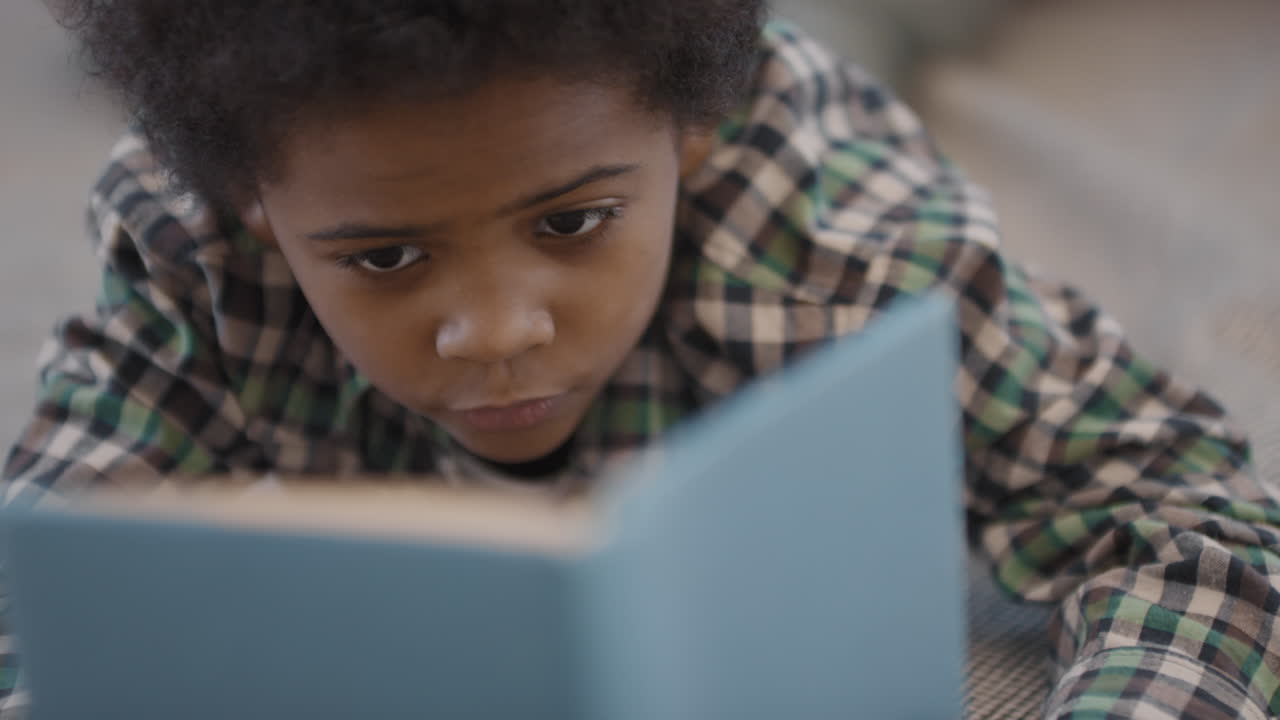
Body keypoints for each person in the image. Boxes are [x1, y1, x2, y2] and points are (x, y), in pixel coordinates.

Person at [4, 2, 1278, 717]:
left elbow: (1199, 526)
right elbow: (39, 591)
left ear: (696, 144)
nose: (495, 333)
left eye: (570, 224)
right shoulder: (189, 249)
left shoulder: (860, 254)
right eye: (385, 258)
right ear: (249, 210)